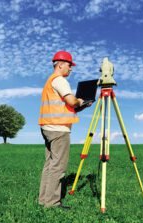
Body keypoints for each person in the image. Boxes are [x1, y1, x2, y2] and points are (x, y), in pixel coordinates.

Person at [38, 50, 84, 209]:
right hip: (59, 130)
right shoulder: (60, 80)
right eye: (70, 65)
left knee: (50, 165)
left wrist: (81, 105)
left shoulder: (49, 82)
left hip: (48, 127)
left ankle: (43, 200)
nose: (71, 69)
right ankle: (52, 203)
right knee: (58, 167)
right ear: (60, 64)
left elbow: (66, 107)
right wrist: (79, 100)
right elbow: (71, 101)